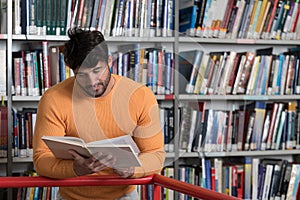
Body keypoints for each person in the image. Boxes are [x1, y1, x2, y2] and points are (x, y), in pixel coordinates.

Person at [33, 27, 166, 200]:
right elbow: (41, 159)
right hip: (71, 196)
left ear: (109, 61)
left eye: (97, 71)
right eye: (82, 75)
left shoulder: (139, 96)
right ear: (71, 70)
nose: (92, 82)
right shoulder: (53, 99)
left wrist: (134, 169)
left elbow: (156, 154)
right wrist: (76, 168)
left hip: (122, 194)